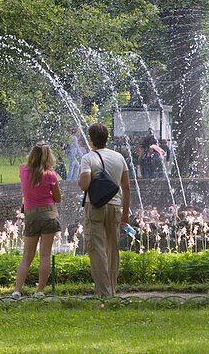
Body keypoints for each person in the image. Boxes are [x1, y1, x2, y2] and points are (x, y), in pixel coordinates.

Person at [78, 123, 131, 297]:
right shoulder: (119, 157)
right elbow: (126, 187)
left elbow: (84, 184)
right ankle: (112, 289)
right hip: (115, 206)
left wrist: (81, 179)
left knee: (96, 247)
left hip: (95, 206)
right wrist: (125, 214)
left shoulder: (88, 158)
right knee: (113, 247)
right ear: (107, 138)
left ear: (91, 139)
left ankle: (103, 292)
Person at [13, 142, 61, 299]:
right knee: (45, 255)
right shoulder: (51, 175)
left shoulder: (23, 170)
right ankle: (39, 291)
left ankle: (17, 291)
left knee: (27, 256)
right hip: (49, 215)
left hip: (31, 215)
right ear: (49, 156)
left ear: (32, 154)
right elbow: (58, 198)